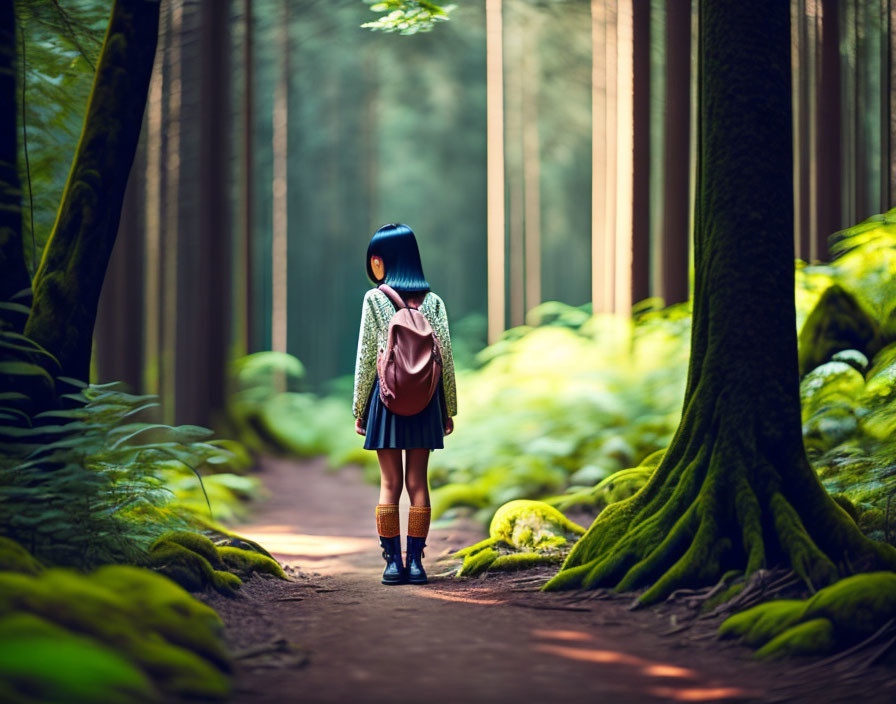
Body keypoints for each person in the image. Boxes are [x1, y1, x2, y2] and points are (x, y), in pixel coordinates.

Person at [352, 223, 457, 586]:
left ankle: (392, 564)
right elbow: (445, 359)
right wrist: (449, 409)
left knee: (389, 483)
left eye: (375, 259)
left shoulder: (374, 299)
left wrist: (359, 409)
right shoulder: (434, 301)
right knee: (418, 483)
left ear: (383, 261)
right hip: (426, 400)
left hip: (387, 398)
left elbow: (367, 357)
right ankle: (416, 562)